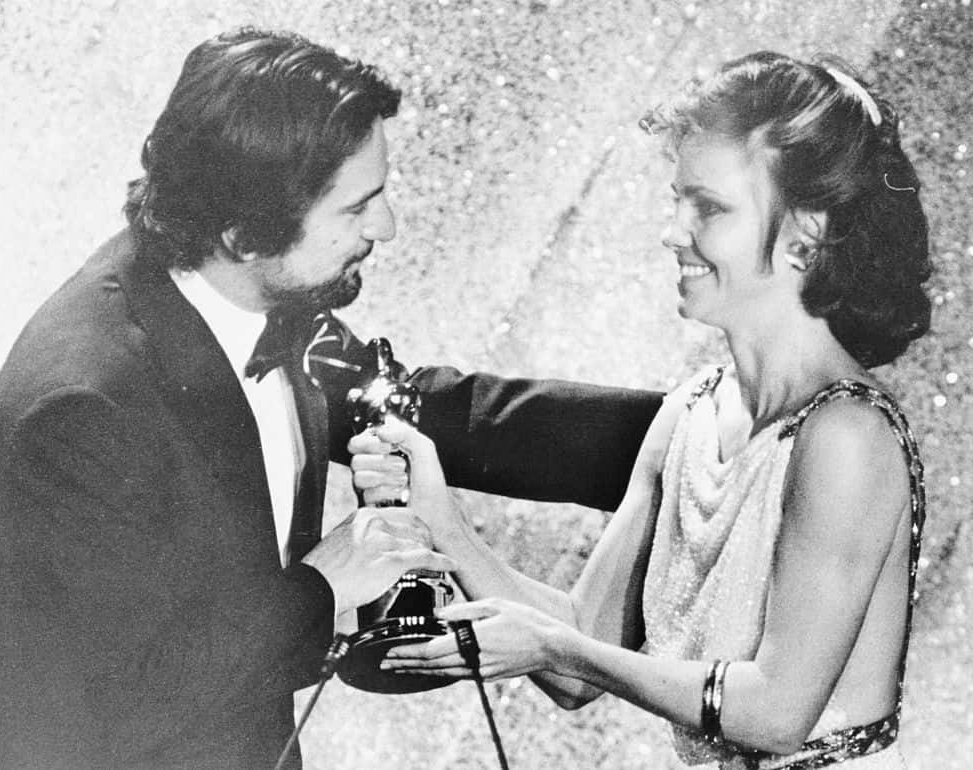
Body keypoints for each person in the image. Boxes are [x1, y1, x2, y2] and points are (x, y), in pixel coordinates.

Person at [0, 28, 663, 770]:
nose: (386, 229)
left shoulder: (257, 299)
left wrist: (697, 427)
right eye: (357, 207)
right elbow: (103, 713)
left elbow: (436, 413)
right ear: (244, 234)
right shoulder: (78, 412)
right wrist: (322, 591)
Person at [353, 51, 932, 768]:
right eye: (677, 199)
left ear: (805, 236)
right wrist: (444, 522)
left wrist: (560, 646)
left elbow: (776, 714)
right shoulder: (691, 412)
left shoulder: (848, 434)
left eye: (709, 208)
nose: (672, 231)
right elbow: (573, 664)